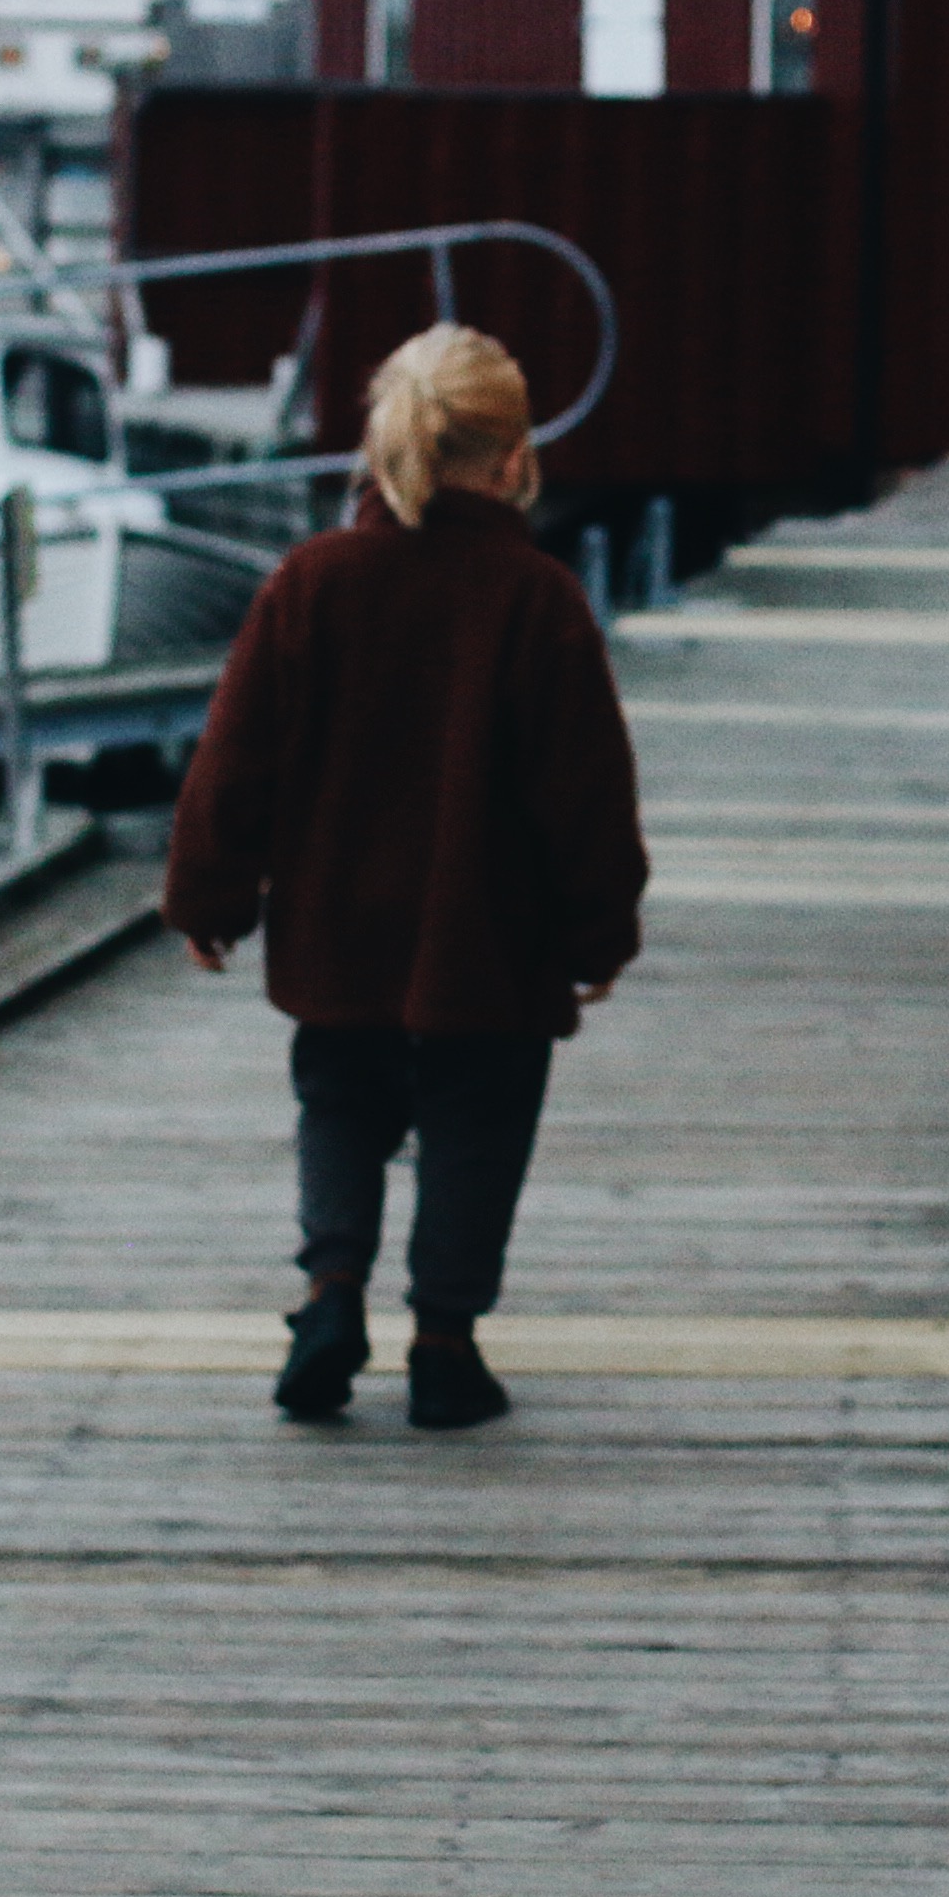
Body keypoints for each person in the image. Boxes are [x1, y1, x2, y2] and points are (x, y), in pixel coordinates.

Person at [161, 322, 647, 1429]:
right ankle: (444, 1343)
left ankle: (331, 1294)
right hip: (491, 942)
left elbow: (236, 763)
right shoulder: (537, 600)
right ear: (517, 460)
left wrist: (210, 900)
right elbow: (587, 795)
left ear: (378, 456)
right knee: (477, 1124)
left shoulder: (309, 582)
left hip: (337, 923)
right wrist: (597, 935)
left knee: (339, 1100)